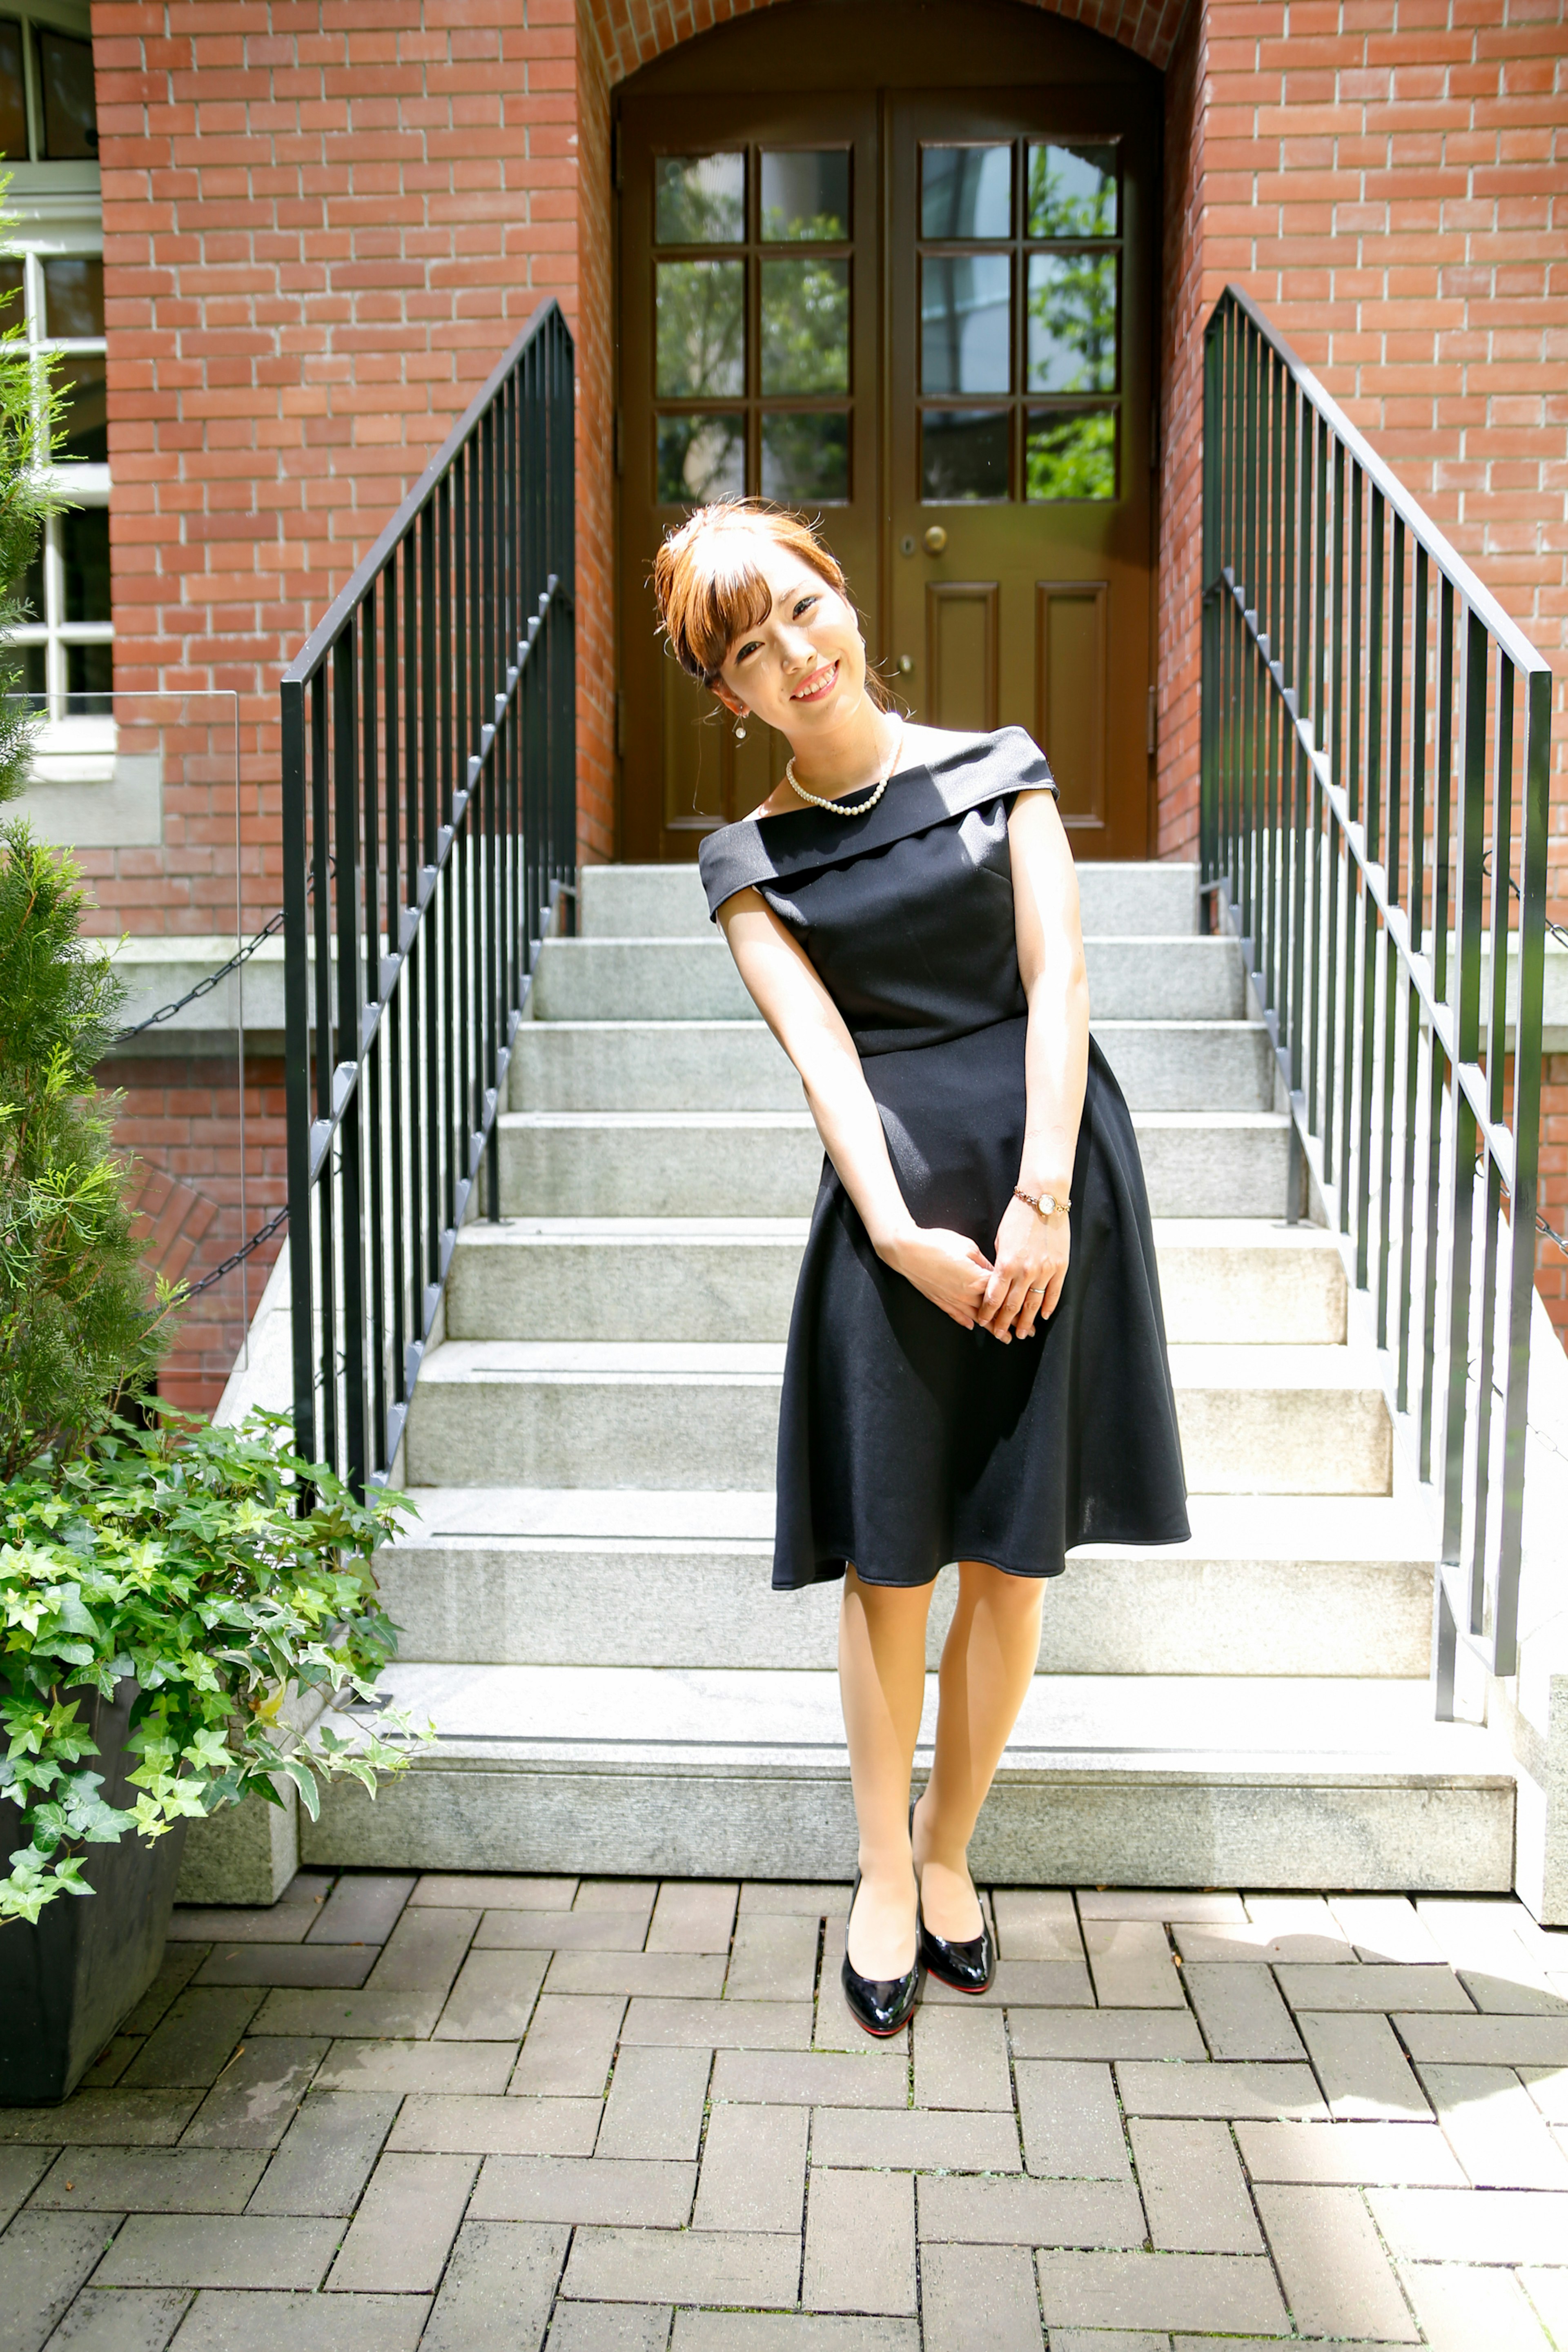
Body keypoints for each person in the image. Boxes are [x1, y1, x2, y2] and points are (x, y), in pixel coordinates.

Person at [653, 499, 1189, 2038]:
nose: (794, 658)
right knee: (894, 1565)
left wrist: (1041, 1203)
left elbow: (1057, 977)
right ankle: (881, 1873)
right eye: (749, 652)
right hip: (892, 1227)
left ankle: (955, 1854)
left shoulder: (1000, 766)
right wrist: (894, 1231)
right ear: (731, 694)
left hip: (1047, 1195)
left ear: (844, 595)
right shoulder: (748, 861)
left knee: (1013, 1563)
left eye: (801, 614)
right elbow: (823, 1056)